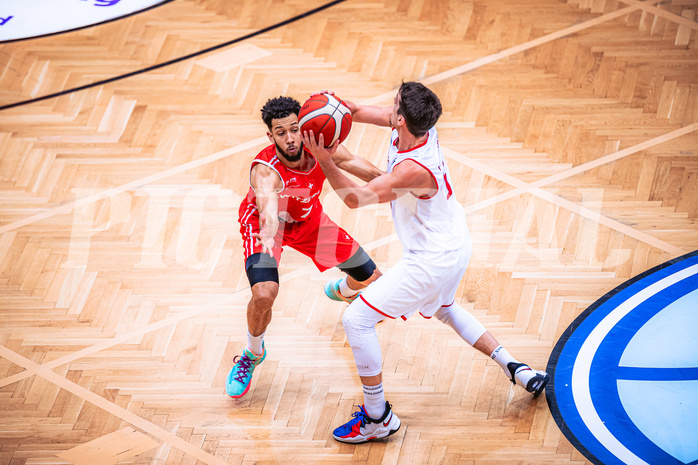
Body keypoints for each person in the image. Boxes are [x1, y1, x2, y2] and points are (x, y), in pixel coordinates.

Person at [301, 82, 550, 444]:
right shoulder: (416, 127)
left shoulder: (414, 170)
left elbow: (355, 199)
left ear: (401, 119)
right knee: (445, 309)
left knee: (357, 320)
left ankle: (377, 417)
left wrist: (326, 160)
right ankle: (517, 368)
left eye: (394, 106)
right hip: (453, 238)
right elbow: (354, 113)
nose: (389, 108)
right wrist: (333, 106)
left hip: (431, 260)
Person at [227, 96, 384, 398]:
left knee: (372, 279)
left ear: (304, 127)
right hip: (265, 228)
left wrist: (406, 181)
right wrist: (269, 252)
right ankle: (252, 353)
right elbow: (269, 217)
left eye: (294, 129)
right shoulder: (265, 171)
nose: (290, 138)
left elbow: (371, 175)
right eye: (281, 132)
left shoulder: (321, 147)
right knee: (264, 293)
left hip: (309, 222)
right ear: (270, 136)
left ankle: (343, 291)